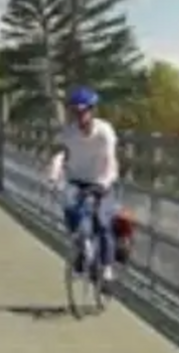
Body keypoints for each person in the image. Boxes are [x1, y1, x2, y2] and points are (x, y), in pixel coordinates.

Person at [46, 86, 123, 283]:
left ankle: (106, 266)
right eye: (75, 112)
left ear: (92, 111)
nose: (79, 116)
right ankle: (81, 250)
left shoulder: (104, 131)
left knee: (102, 221)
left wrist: (104, 183)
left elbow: (110, 160)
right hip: (76, 180)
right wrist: (54, 177)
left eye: (83, 111)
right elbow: (60, 155)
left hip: (101, 181)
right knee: (71, 212)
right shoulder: (69, 133)